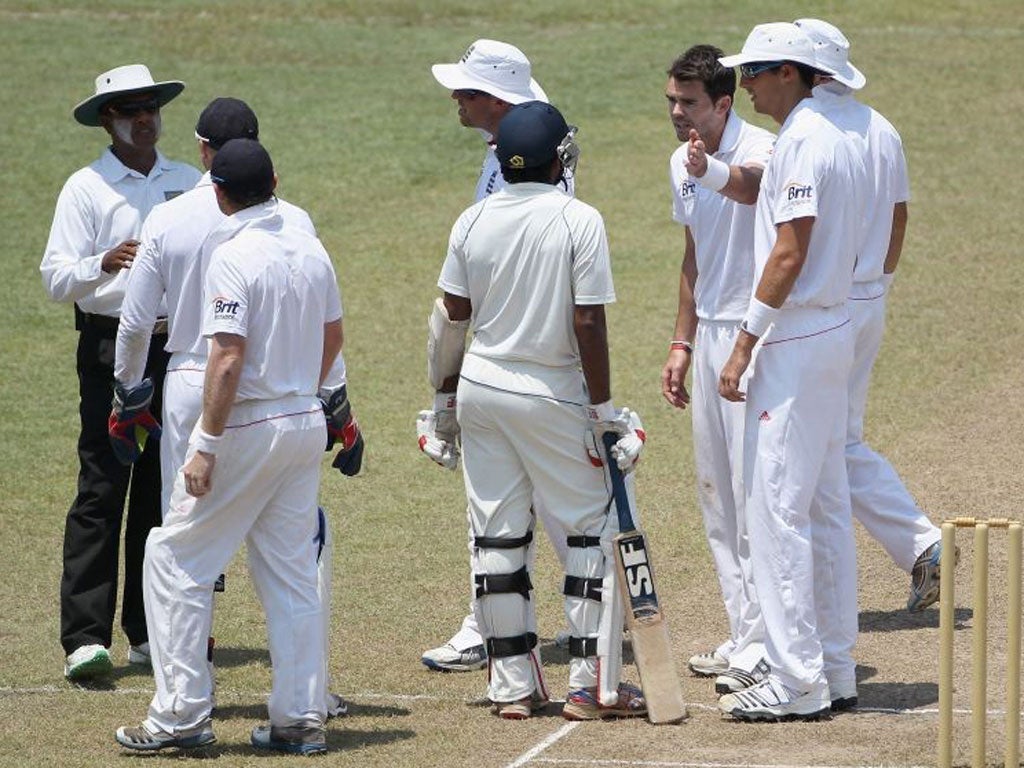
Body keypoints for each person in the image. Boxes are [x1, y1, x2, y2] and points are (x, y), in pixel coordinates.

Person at [113, 97, 357, 716]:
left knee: (175, 556)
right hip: (299, 414)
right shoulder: (307, 238)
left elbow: (216, 353)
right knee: (293, 570)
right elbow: (333, 336)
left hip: (221, 403)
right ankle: (302, 714)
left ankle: (181, 714)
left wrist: (189, 434)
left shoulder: (203, 236)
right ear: (273, 182)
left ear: (213, 178)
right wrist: (330, 403)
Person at [424, 100, 647, 721]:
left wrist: (443, 401)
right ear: (559, 159)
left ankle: (512, 688)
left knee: (497, 538)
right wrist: (602, 410)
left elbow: (451, 318)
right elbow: (588, 322)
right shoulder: (580, 219)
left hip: (482, 393)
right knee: (590, 535)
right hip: (551, 393)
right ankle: (591, 687)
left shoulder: (471, 221)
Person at [715, 22, 869, 720]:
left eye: (753, 71)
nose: (743, 83)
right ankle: (832, 668)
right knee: (823, 502)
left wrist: (744, 340)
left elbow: (788, 252)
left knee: (776, 509)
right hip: (831, 328)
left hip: (798, 336)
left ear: (791, 72)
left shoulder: (806, 138)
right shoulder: (830, 132)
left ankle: (795, 680)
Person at [40, 64, 201, 681]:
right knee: (103, 487)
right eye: (130, 108)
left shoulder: (187, 182)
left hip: (175, 349)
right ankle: (84, 638)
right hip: (108, 350)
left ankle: (146, 631)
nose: (145, 117)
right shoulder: (85, 188)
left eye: (152, 106)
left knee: (163, 493)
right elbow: (56, 279)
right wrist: (100, 264)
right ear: (107, 119)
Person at [421, 38, 571, 673]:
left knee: (530, 503)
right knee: (533, 502)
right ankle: (492, 623)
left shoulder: (532, 152)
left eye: (467, 90)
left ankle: (502, 627)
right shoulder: (525, 141)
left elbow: (487, 274)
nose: (456, 98)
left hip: (518, 352)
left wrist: (444, 388)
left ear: (499, 98)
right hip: (519, 348)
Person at [794, 17, 949, 613]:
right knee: (838, 439)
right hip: (867, 298)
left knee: (818, 444)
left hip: (823, 306)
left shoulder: (811, 129)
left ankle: (917, 543)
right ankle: (919, 544)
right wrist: (879, 281)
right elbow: (901, 214)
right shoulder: (881, 126)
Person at [659, 45, 775, 694]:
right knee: (718, 499)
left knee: (753, 490)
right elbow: (693, 253)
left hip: (756, 337)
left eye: (690, 103)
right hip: (708, 337)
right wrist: (681, 341)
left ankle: (764, 644)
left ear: (723, 103)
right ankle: (744, 635)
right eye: (672, 102)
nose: (678, 114)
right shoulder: (681, 158)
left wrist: (706, 171)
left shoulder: (763, 145)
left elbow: (749, 188)